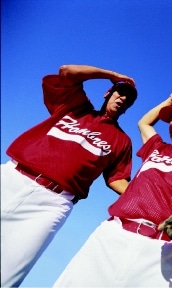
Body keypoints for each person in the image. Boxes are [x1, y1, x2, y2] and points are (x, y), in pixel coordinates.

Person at [52, 82, 172, 287]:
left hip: (165, 251)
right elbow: (144, 123)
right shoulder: (157, 148)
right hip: (113, 235)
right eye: (171, 118)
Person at [0, 64, 138, 287]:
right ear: (108, 93)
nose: (122, 98)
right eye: (120, 92)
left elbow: (116, 179)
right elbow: (66, 72)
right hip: (11, 178)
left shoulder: (122, 141)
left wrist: (149, 199)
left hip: (51, 204)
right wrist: (111, 75)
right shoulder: (74, 106)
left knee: (8, 274)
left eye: (128, 99)